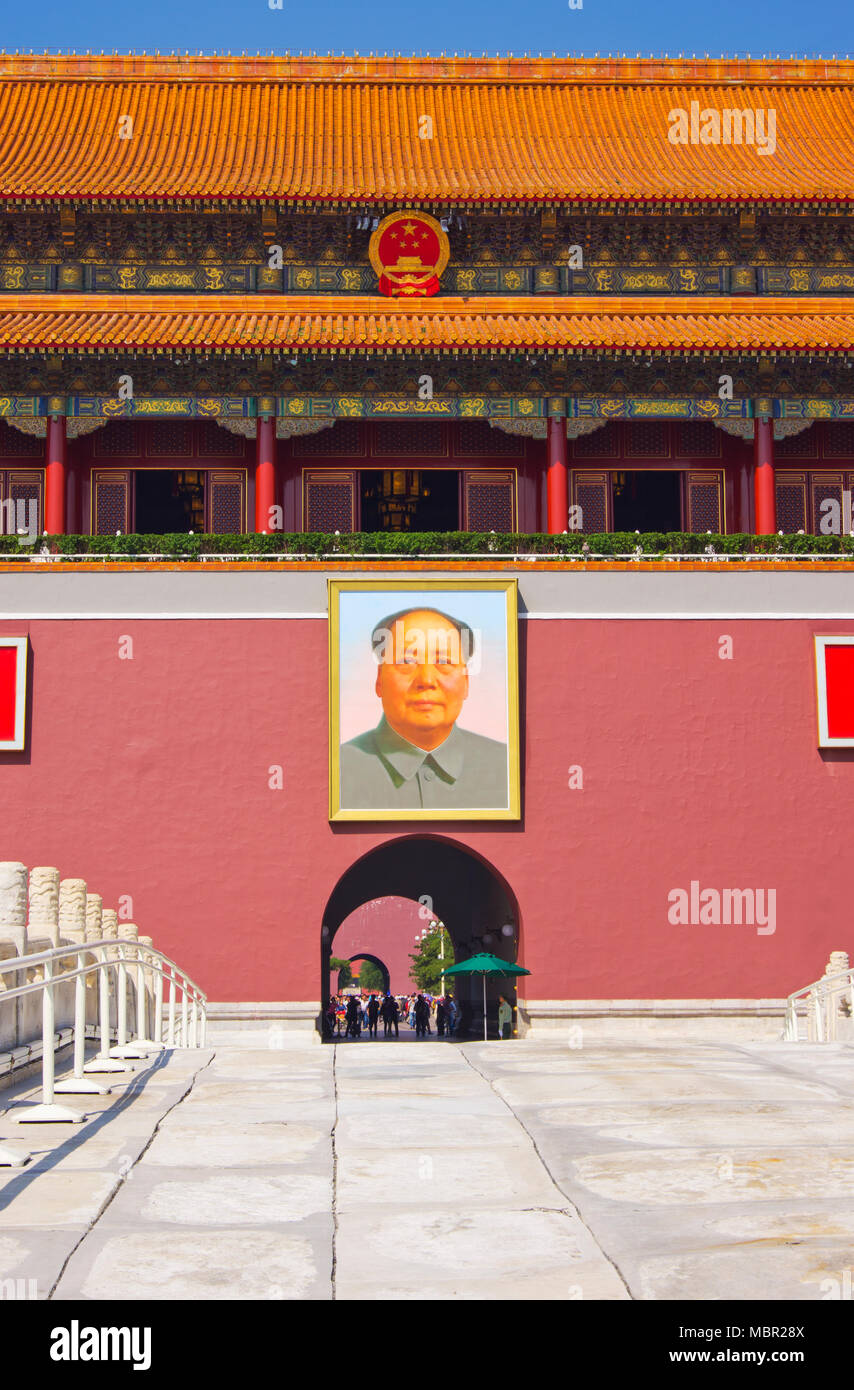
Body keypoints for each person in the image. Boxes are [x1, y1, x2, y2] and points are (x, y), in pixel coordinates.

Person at [339, 607, 508, 811]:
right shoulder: (337, 769)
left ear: (465, 681)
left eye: (444, 662)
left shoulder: (506, 767)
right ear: (379, 679)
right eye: (407, 661)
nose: (426, 680)